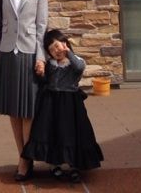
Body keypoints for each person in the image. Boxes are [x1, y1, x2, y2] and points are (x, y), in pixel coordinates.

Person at [0, 0, 48, 181]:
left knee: (28, 110)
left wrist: (41, 57)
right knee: (13, 110)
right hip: (7, 53)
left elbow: (41, 27)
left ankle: (25, 158)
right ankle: (23, 156)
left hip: (29, 53)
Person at [21, 29, 103, 182]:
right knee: (53, 132)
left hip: (70, 104)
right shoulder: (52, 64)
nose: (56, 51)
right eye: (52, 50)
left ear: (65, 44)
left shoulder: (74, 61)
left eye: (58, 46)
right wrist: (41, 73)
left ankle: (74, 166)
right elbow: (46, 80)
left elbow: (79, 68)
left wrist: (68, 53)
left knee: (71, 133)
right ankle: (55, 165)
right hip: (51, 103)